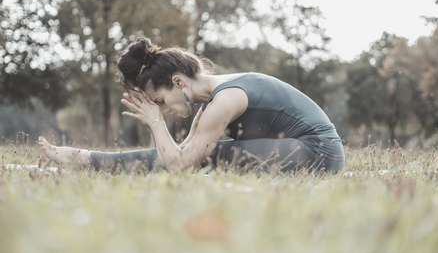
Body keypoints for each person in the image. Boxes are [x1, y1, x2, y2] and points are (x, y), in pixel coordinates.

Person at [38, 37, 345, 173]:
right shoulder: (207, 107)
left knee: (214, 158)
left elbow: (182, 167)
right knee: (205, 158)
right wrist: (86, 156)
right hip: (298, 149)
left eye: (161, 101)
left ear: (179, 82)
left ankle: (86, 161)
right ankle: (85, 160)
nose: (164, 109)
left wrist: (156, 123)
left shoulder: (225, 100)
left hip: (320, 152)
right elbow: (173, 157)